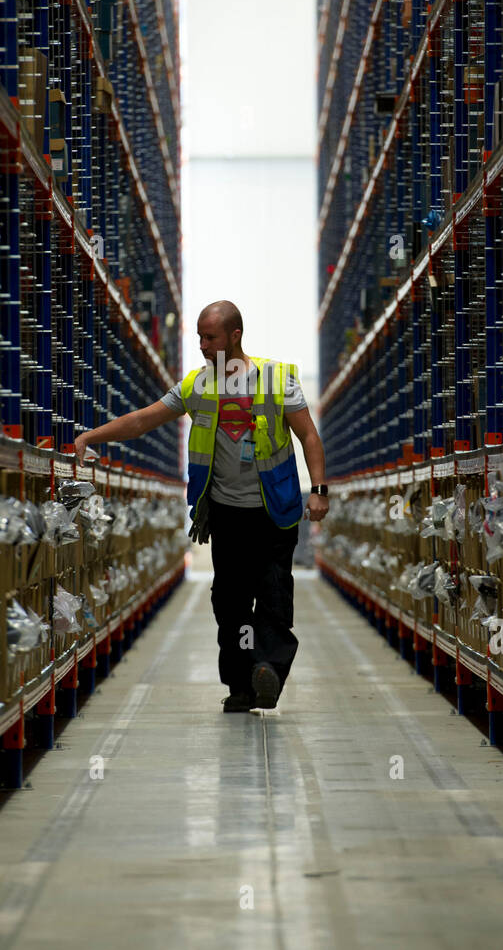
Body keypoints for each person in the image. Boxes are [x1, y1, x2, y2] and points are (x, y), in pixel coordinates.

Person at [73, 300, 330, 712]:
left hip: (273, 511)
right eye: (199, 337)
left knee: (273, 595)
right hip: (225, 513)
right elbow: (142, 420)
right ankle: (241, 685)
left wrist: (318, 489)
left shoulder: (277, 379)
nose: (202, 346)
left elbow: (308, 437)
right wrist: (91, 437)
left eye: (209, 338)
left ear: (235, 336)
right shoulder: (197, 385)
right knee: (229, 602)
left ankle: (267, 668)